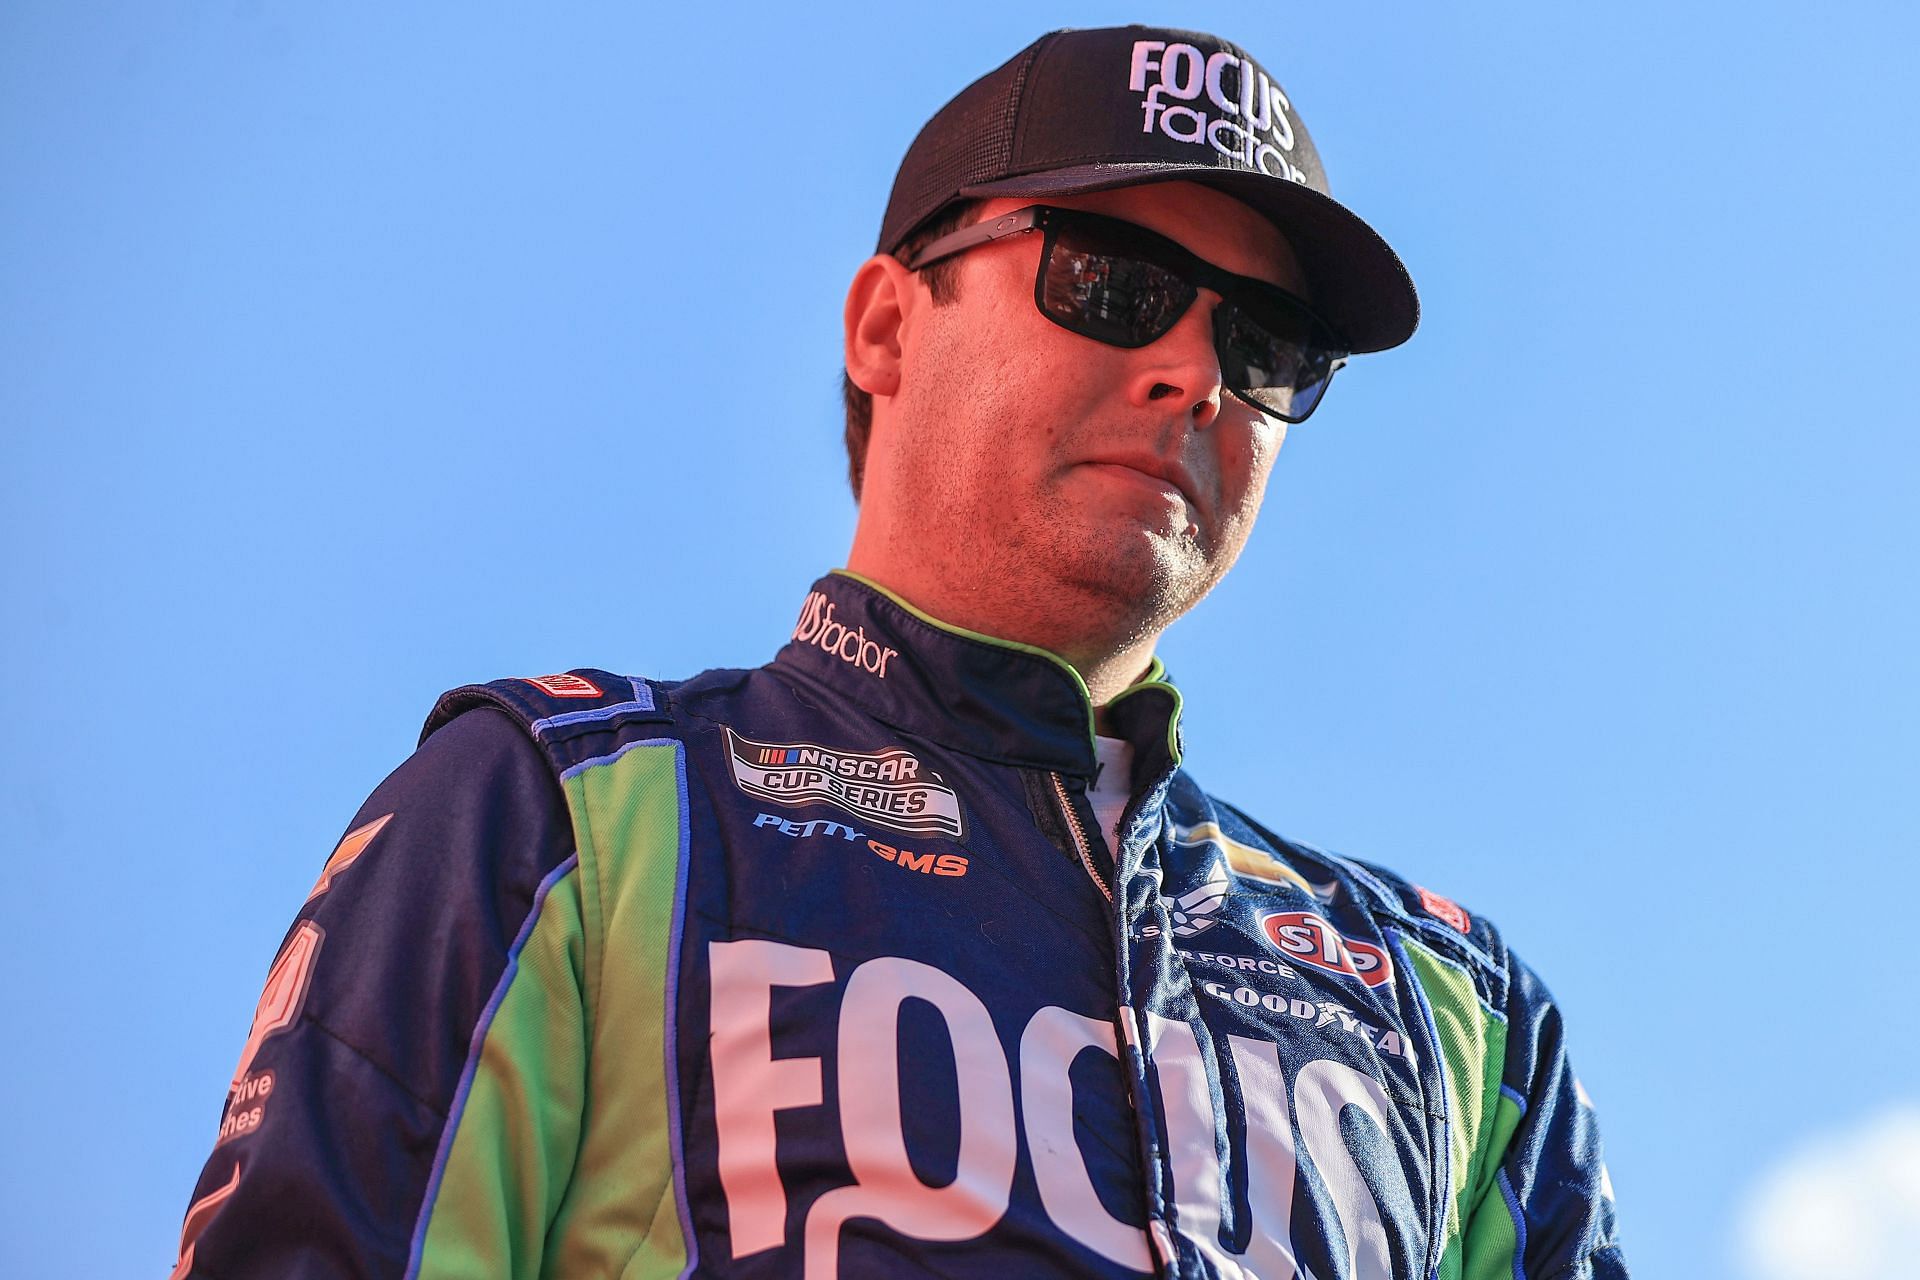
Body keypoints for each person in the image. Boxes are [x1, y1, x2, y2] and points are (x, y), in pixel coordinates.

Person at [172, 24, 1626, 1280]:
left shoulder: (1455, 1007)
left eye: (1264, 348)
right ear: (885, 326)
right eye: (1111, 282)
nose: (1193, 376)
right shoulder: (563, 815)